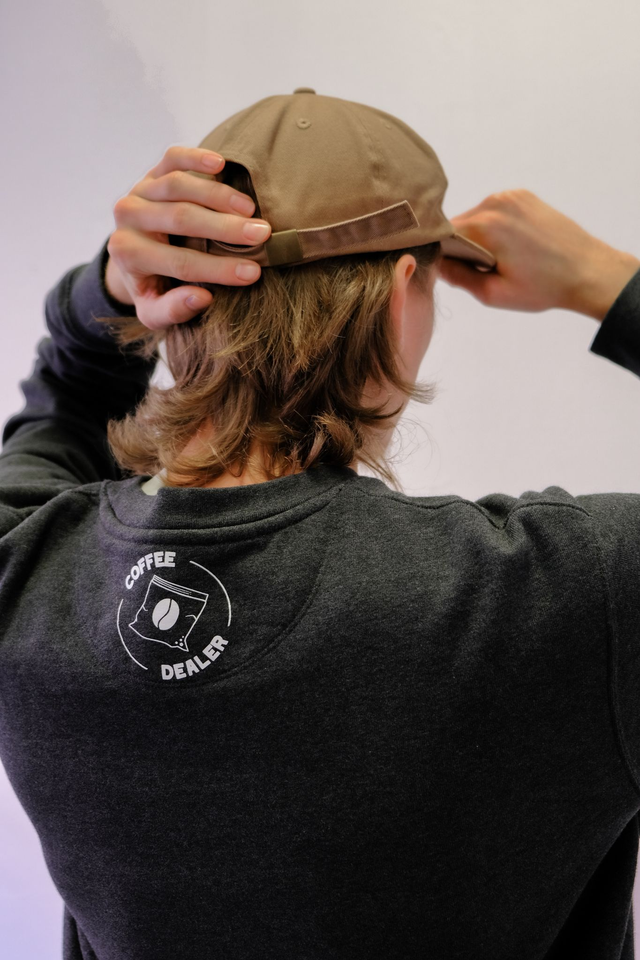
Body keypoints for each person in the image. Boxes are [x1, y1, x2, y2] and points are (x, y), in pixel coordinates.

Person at [1, 89, 640, 960]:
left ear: (167, 297)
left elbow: (60, 406)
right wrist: (607, 282)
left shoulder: (25, 572)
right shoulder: (572, 598)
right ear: (398, 297)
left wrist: (104, 288)